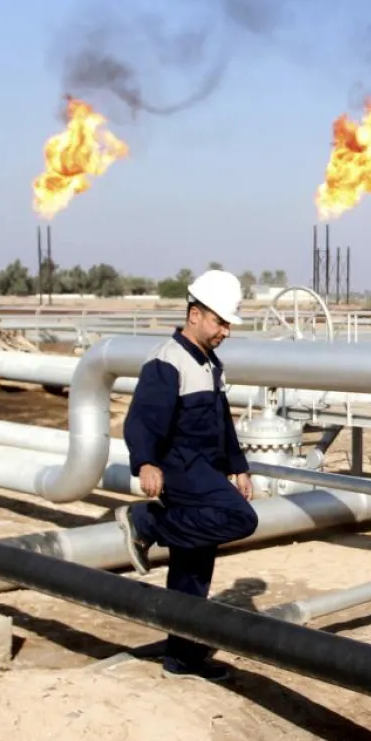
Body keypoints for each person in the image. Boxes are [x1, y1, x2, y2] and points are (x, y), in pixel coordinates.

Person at [115, 269, 257, 680]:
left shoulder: (211, 363)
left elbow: (222, 422)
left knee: (192, 571)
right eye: (219, 322)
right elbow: (143, 418)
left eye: (228, 324)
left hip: (207, 467)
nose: (225, 331)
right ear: (195, 314)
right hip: (179, 467)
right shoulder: (166, 361)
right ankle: (146, 520)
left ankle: (181, 658)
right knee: (240, 518)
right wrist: (145, 462)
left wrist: (238, 465)